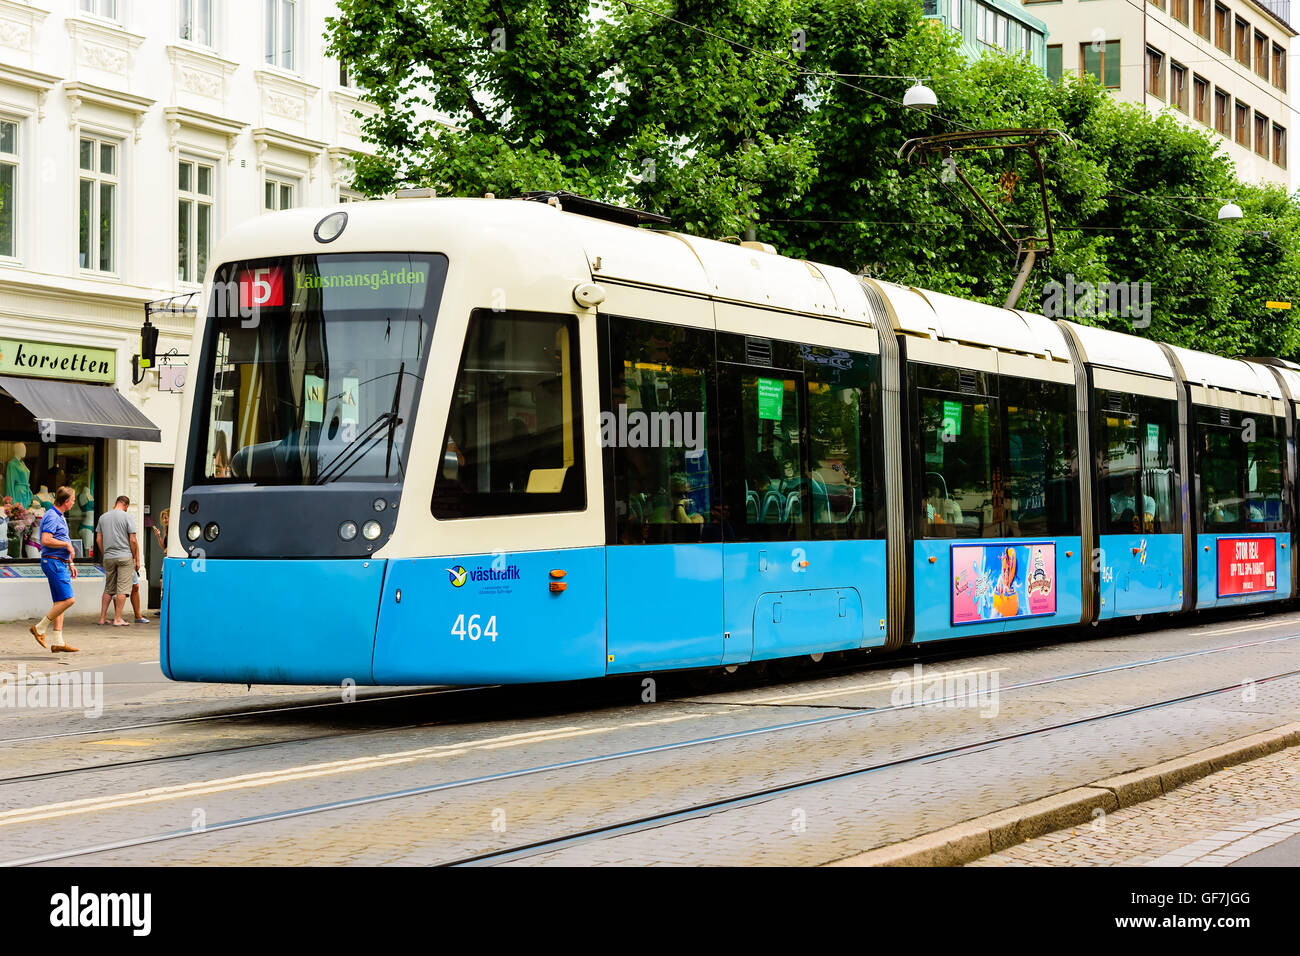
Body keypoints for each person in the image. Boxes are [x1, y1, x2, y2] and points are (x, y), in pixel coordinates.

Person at [30, 486, 79, 653]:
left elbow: (61, 538)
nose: (74, 503)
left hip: (59, 561)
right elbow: (46, 539)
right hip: (53, 562)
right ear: (66, 502)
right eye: (72, 500)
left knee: (60, 602)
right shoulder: (52, 516)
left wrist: (70, 562)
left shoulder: (59, 516)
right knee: (69, 600)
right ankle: (40, 628)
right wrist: (66, 545)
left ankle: (58, 641)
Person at [96, 495, 142, 627]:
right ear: (126, 506)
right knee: (122, 588)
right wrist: (134, 557)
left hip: (109, 557)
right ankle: (117, 618)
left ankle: (102, 618)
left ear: (116, 503)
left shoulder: (103, 517)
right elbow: (133, 539)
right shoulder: (128, 517)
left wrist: (105, 553)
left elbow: (99, 539)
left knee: (108, 588)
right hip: (124, 556)